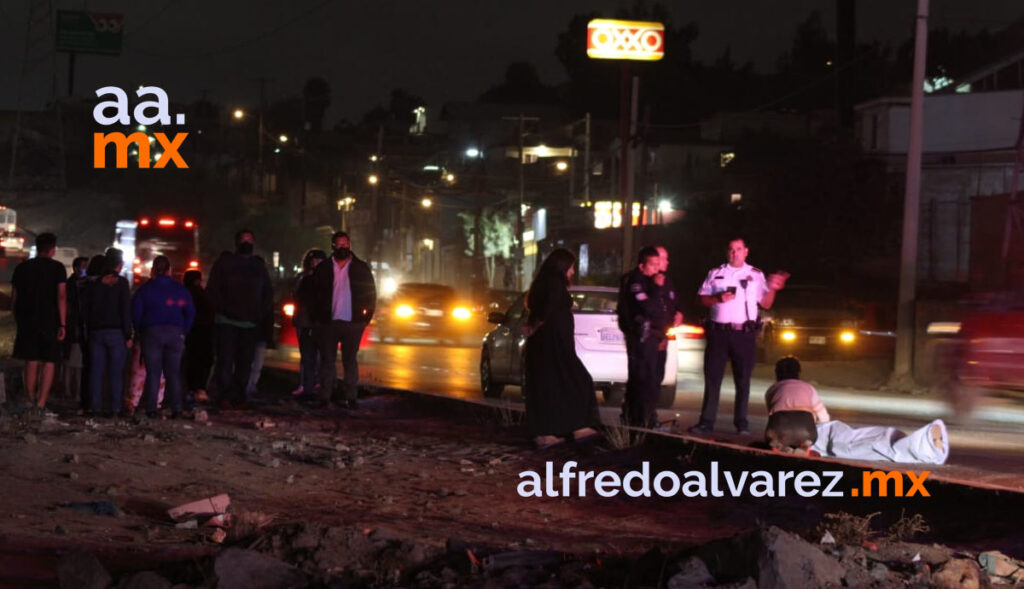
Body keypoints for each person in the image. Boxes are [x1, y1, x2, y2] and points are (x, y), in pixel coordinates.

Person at [763, 357, 949, 464]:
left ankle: (918, 443)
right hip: (815, 433)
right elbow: (823, 416)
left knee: (865, 439)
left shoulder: (772, 389)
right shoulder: (807, 388)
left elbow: (773, 416)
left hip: (783, 435)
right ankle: (923, 447)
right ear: (798, 373)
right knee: (864, 441)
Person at [689, 238, 789, 435]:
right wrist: (718, 298)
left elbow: (766, 303)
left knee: (743, 380)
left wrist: (774, 288)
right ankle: (706, 422)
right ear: (727, 252)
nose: (734, 253)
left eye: (738, 249)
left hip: (743, 334)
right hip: (718, 332)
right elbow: (700, 299)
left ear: (746, 252)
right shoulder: (716, 273)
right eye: (731, 250)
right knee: (712, 379)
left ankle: (741, 423)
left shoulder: (755, 274)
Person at [523, 248, 599, 449]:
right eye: (571, 267)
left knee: (553, 386)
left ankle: (553, 431)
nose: (573, 272)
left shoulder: (543, 284)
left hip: (551, 344)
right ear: (562, 267)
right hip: (553, 345)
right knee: (577, 381)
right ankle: (575, 427)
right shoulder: (554, 285)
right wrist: (534, 328)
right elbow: (545, 312)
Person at [304, 231, 376, 409]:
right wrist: (317, 318)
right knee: (327, 361)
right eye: (339, 244)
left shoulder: (360, 268)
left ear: (349, 245)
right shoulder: (324, 268)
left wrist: (365, 318)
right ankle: (325, 397)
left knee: (349, 360)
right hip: (328, 323)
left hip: (353, 323)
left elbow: (371, 294)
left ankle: (351, 397)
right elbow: (313, 295)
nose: (342, 247)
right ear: (333, 246)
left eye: (345, 244)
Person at [205, 229, 273, 409]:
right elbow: (213, 291)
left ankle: (239, 395)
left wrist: (259, 314)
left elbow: (267, 294)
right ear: (236, 243)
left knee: (245, 363)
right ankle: (224, 395)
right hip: (227, 322)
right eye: (243, 240)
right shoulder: (224, 264)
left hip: (250, 324)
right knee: (225, 361)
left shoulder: (258, 267)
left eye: (249, 240)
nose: (246, 243)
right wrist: (224, 310)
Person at [132, 256, 195, 418]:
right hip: (175, 333)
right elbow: (190, 312)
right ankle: (177, 409)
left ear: (153, 270)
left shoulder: (146, 289)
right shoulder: (180, 289)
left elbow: (136, 312)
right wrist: (183, 331)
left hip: (151, 333)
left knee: (153, 372)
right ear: (169, 270)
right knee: (173, 373)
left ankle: (151, 409)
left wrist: (140, 331)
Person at [617, 246, 673, 428]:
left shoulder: (652, 280)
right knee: (643, 378)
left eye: (659, 264)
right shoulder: (636, 282)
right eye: (653, 265)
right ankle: (642, 419)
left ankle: (640, 418)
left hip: (654, 335)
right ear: (642, 266)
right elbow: (647, 307)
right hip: (642, 336)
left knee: (649, 378)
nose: (657, 268)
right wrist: (656, 288)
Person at [11, 233, 67, 411]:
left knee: (31, 360)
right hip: (50, 320)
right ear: (52, 249)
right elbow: (61, 296)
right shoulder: (58, 268)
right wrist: (63, 323)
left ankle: (29, 397)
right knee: (49, 361)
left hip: (27, 319)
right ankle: (41, 402)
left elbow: (14, 297)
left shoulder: (22, 268)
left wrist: (17, 317)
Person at [83, 249, 132, 417]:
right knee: (115, 373)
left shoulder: (93, 284)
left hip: (96, 332)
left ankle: (95, 407)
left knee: (96, 372)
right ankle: (115, 408)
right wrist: (128, 334)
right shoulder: (122, 283)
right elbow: (125, 310)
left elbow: (87, 308)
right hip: (116, 332)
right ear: (118, 265)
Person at [763, 356, 830, 453]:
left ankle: (780, 446)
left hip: (779, 431)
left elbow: (771, 414)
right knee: (813, 433)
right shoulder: (809, 388)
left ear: (776, 373)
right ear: (798, 372)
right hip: (806, 432)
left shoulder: (772, 389)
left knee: (773, 436)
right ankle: (804, 446)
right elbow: (824, 418)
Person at [292, 249, 328, 399]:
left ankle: (318, 383)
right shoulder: (303, 278)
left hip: (320, 322)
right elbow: (296, 296)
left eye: (319, 260)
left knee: (321, 356)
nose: (316, 263)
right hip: (305, 321)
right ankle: (305, 384)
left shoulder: (328, 278)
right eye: (314, 260)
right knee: (306, 356)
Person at [183, 269, 214, 405]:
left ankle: (189, 390)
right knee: (202, 363)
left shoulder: (184, 294)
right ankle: (200, 390)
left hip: (190, 333)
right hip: (205, 333)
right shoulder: (204, 295)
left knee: (190, 363)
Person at [654, 245, 684, 386]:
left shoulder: (667, 281)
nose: (667, 262)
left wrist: (678, 313)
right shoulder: (644, 281)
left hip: (663, 337)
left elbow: (674, 302)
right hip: (650, 338)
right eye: (664, 259)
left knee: (658, 376)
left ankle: (650, 407)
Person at [62, 256, 89, 402]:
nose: (85, 269)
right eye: (83, 266)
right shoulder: (72, 285)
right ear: (76, 268)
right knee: (73, 364)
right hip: (74, 329)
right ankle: (70, 392)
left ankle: (71, 391)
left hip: (76, 329)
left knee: (74, 364)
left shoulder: (80, 284)